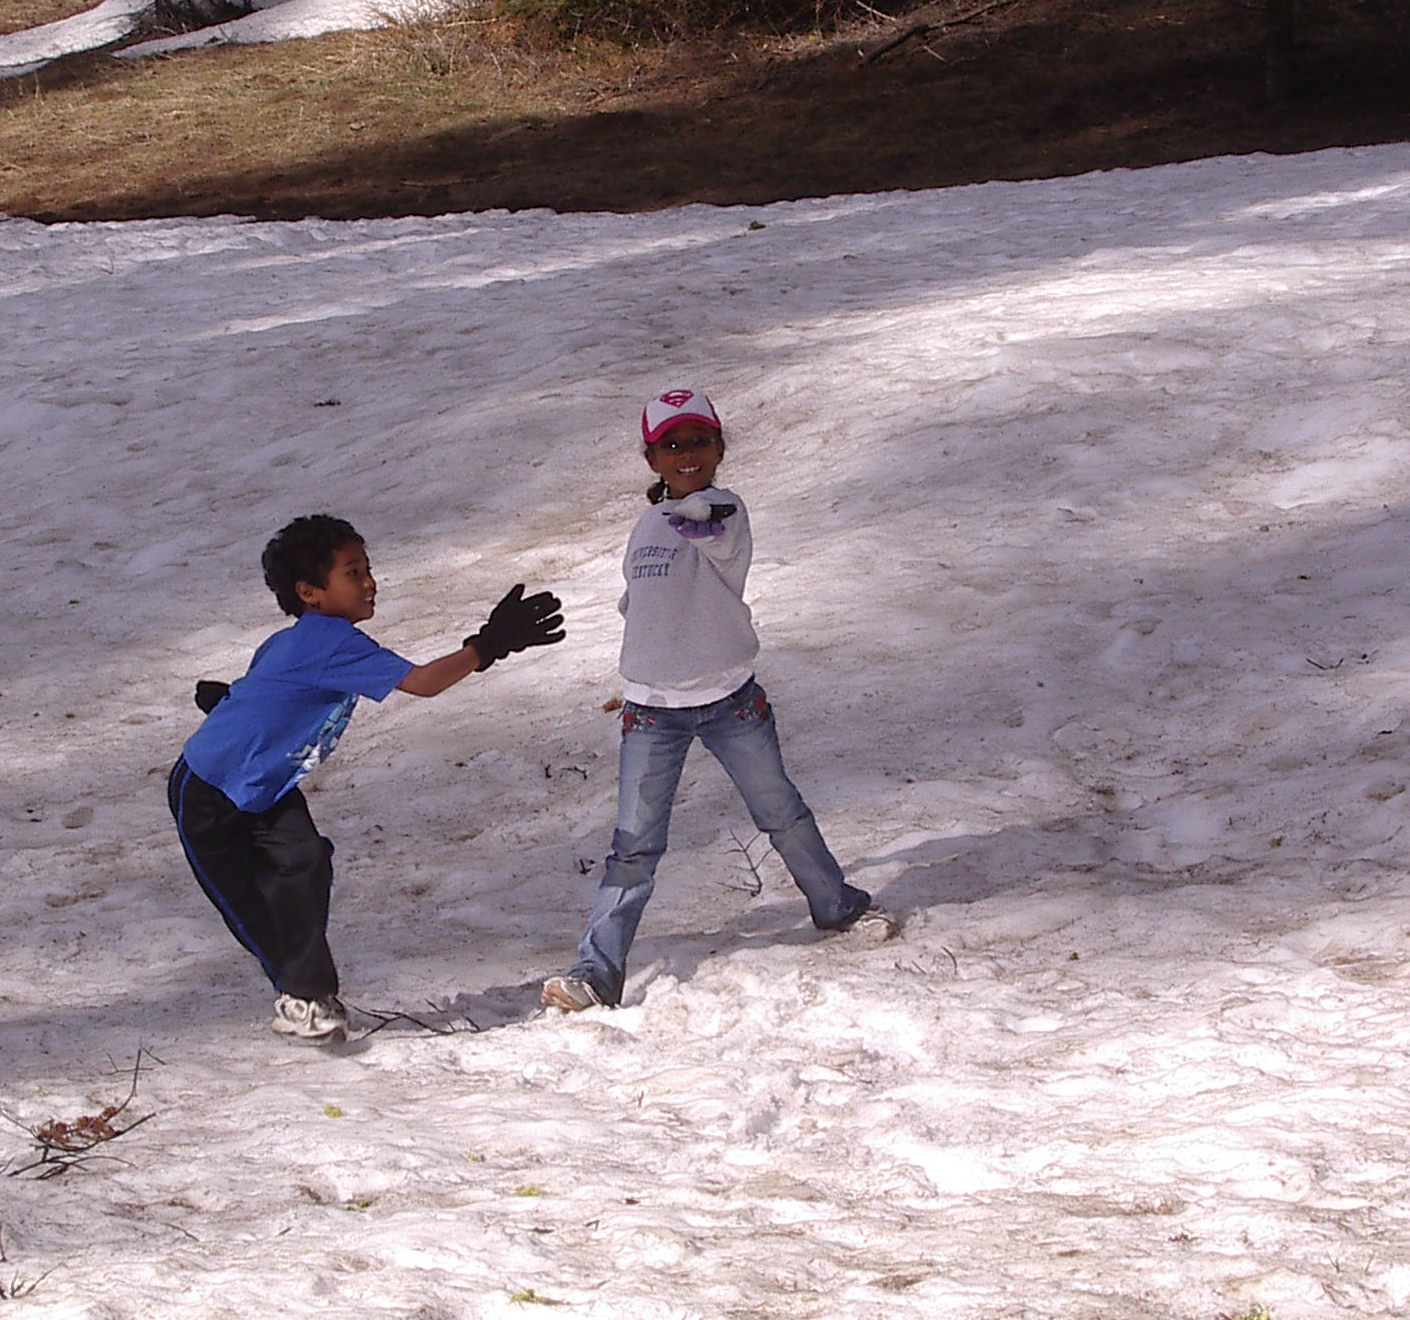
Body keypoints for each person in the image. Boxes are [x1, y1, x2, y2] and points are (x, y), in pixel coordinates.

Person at [542, 389, 895, 1013]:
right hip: (651, 711)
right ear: (651, 459)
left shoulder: (724, 511)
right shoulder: (647, 524)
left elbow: (714, 536)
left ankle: (837, 905)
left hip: (731, 702)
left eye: (700, 441)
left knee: (781, 812)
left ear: (721, 448)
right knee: (634, 845)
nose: (687, 455)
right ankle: (596, 973)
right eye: (672, 445)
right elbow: (636, 597)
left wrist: (694, 516)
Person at [171, 514, 563, 1041]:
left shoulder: (303, 638)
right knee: (249, 905)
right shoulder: (331, 641)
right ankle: (302, 997)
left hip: (264, 787)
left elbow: (265, 679)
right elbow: (423, 683)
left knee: (306, 862)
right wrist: (487, 645)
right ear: (310, 592)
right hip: (209, 794)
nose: (369, 582)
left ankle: (306, 993)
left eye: (367, 568)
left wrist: (231, 704)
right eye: (352, 573)